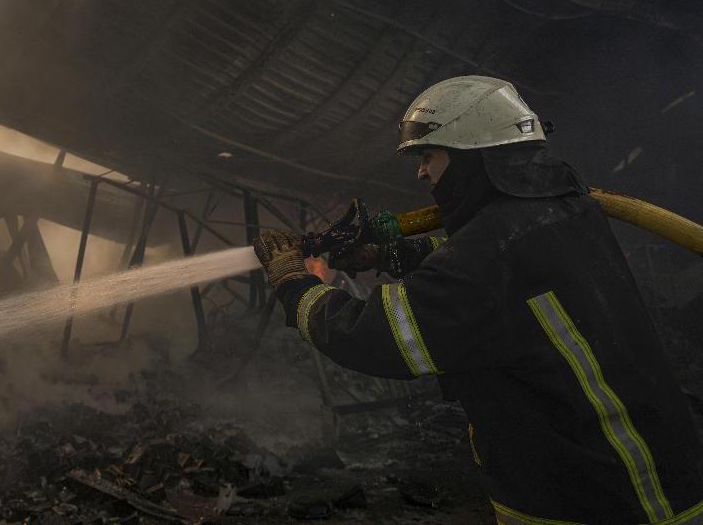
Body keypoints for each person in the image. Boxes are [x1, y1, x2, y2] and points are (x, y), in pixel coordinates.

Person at [253, 75, 703, 524]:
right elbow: (500, 277)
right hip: (657, 473)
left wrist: (293, 283)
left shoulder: (489, 252)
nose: (421, 172)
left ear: (472, 155)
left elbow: (375, 337)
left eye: (428, 156)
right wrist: (393, 252)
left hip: (598, 498)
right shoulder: (564, 209)